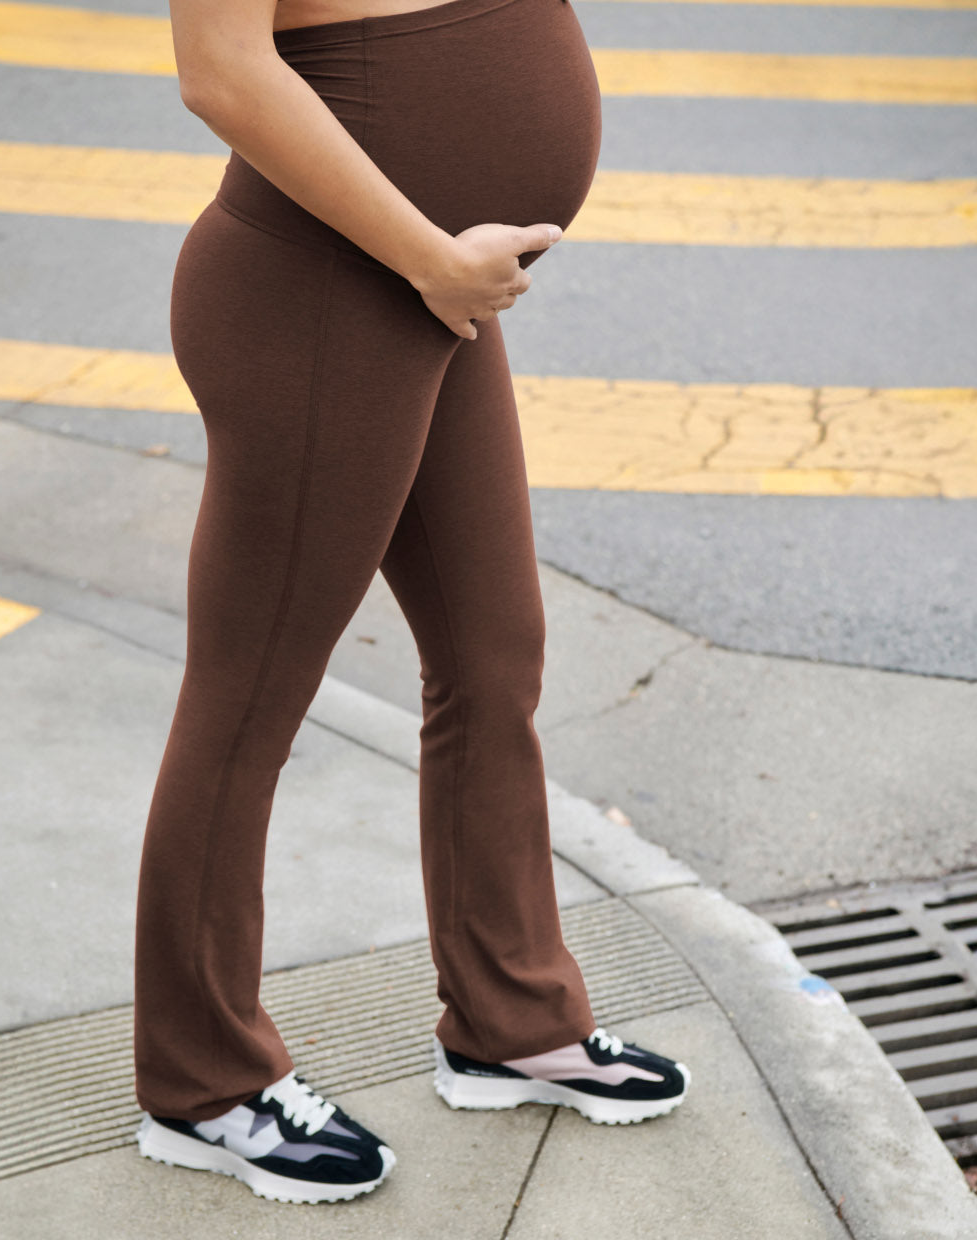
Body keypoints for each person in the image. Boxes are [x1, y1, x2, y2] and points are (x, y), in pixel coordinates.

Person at [133, 0, 690, 1204]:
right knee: (249, 701)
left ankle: (509, 1016)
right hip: (325, 292)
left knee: (496, 653)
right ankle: (202, 1080)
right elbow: (219, 71)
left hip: (433, 285)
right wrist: (432, 256)